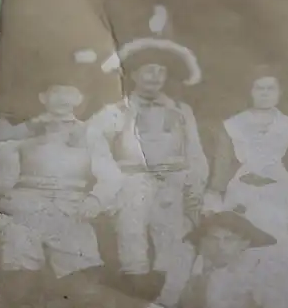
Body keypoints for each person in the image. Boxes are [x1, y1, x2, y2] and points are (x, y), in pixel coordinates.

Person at [0, 85, 132, 307]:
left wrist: (95, 200)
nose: (63, 98)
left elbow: (111, 176)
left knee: (80, 286)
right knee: (18, 282)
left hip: (71, 213)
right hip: (24, 211)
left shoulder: (90, 134)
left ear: (80, 99)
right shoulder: (22, 131)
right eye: (56, 92)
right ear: (42, 97)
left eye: (70, 92)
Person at [87, 37, 208, 307]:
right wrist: (112, 179)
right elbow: (94, 147)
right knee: (132, 237)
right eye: (148, 70)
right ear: (134, 75)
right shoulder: (115, 111)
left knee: (173, 242)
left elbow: (195, 153)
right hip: (133, 183)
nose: (155, 77)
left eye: (161, 71)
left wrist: (194, 187)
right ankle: (136, 292)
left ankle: (166, 296)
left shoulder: (180, 112)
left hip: (172, 184)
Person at [203, 67, 288, 308]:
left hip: (278, 199)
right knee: (237, 260)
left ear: (279, 92)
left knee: (279, 260)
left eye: (271, 88)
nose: (265, 94)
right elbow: (221, 170)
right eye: (259, 88)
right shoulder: (232, 125)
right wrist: (213, 208)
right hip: (241, 198)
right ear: (250, 92)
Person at [178, 211, 277, 308]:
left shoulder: (254, 286)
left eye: (229, 240)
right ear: (203, 243)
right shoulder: (193, 282)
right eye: (214, 239)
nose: (221, 246)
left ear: (244, 243)